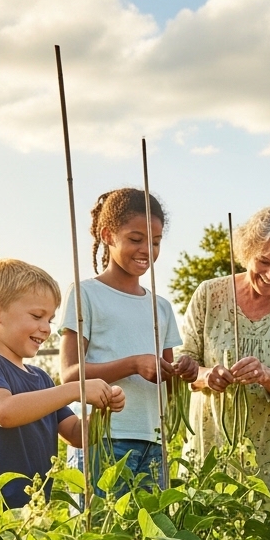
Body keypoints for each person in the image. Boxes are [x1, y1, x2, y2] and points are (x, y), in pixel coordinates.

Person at [0, 258, 124, 537]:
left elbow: (76, 435)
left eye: (50, 320)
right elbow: (3, 411)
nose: (46, 328)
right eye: (37, 316)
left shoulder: (40, 378)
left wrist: (103, 409)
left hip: (30, 514)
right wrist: (75, 388)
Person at [178, 206, 270, 521]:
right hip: (212, 436)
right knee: (207, 526)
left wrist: (266, 375)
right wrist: (206, 375)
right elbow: (183, 358)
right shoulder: (210, 294)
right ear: (247, 252)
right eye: (264, 261)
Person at [60, 189, 198, 494]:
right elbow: (70, 374)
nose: (147, 249)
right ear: (108, 235)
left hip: (153, 441)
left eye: (156, 242)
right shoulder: (86, 294)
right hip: (103, 438)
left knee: (146, 538)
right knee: (101, 536)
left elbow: (169, 383)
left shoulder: (161, 307)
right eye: (136, 239)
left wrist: (183, 371)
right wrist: (133, 364)